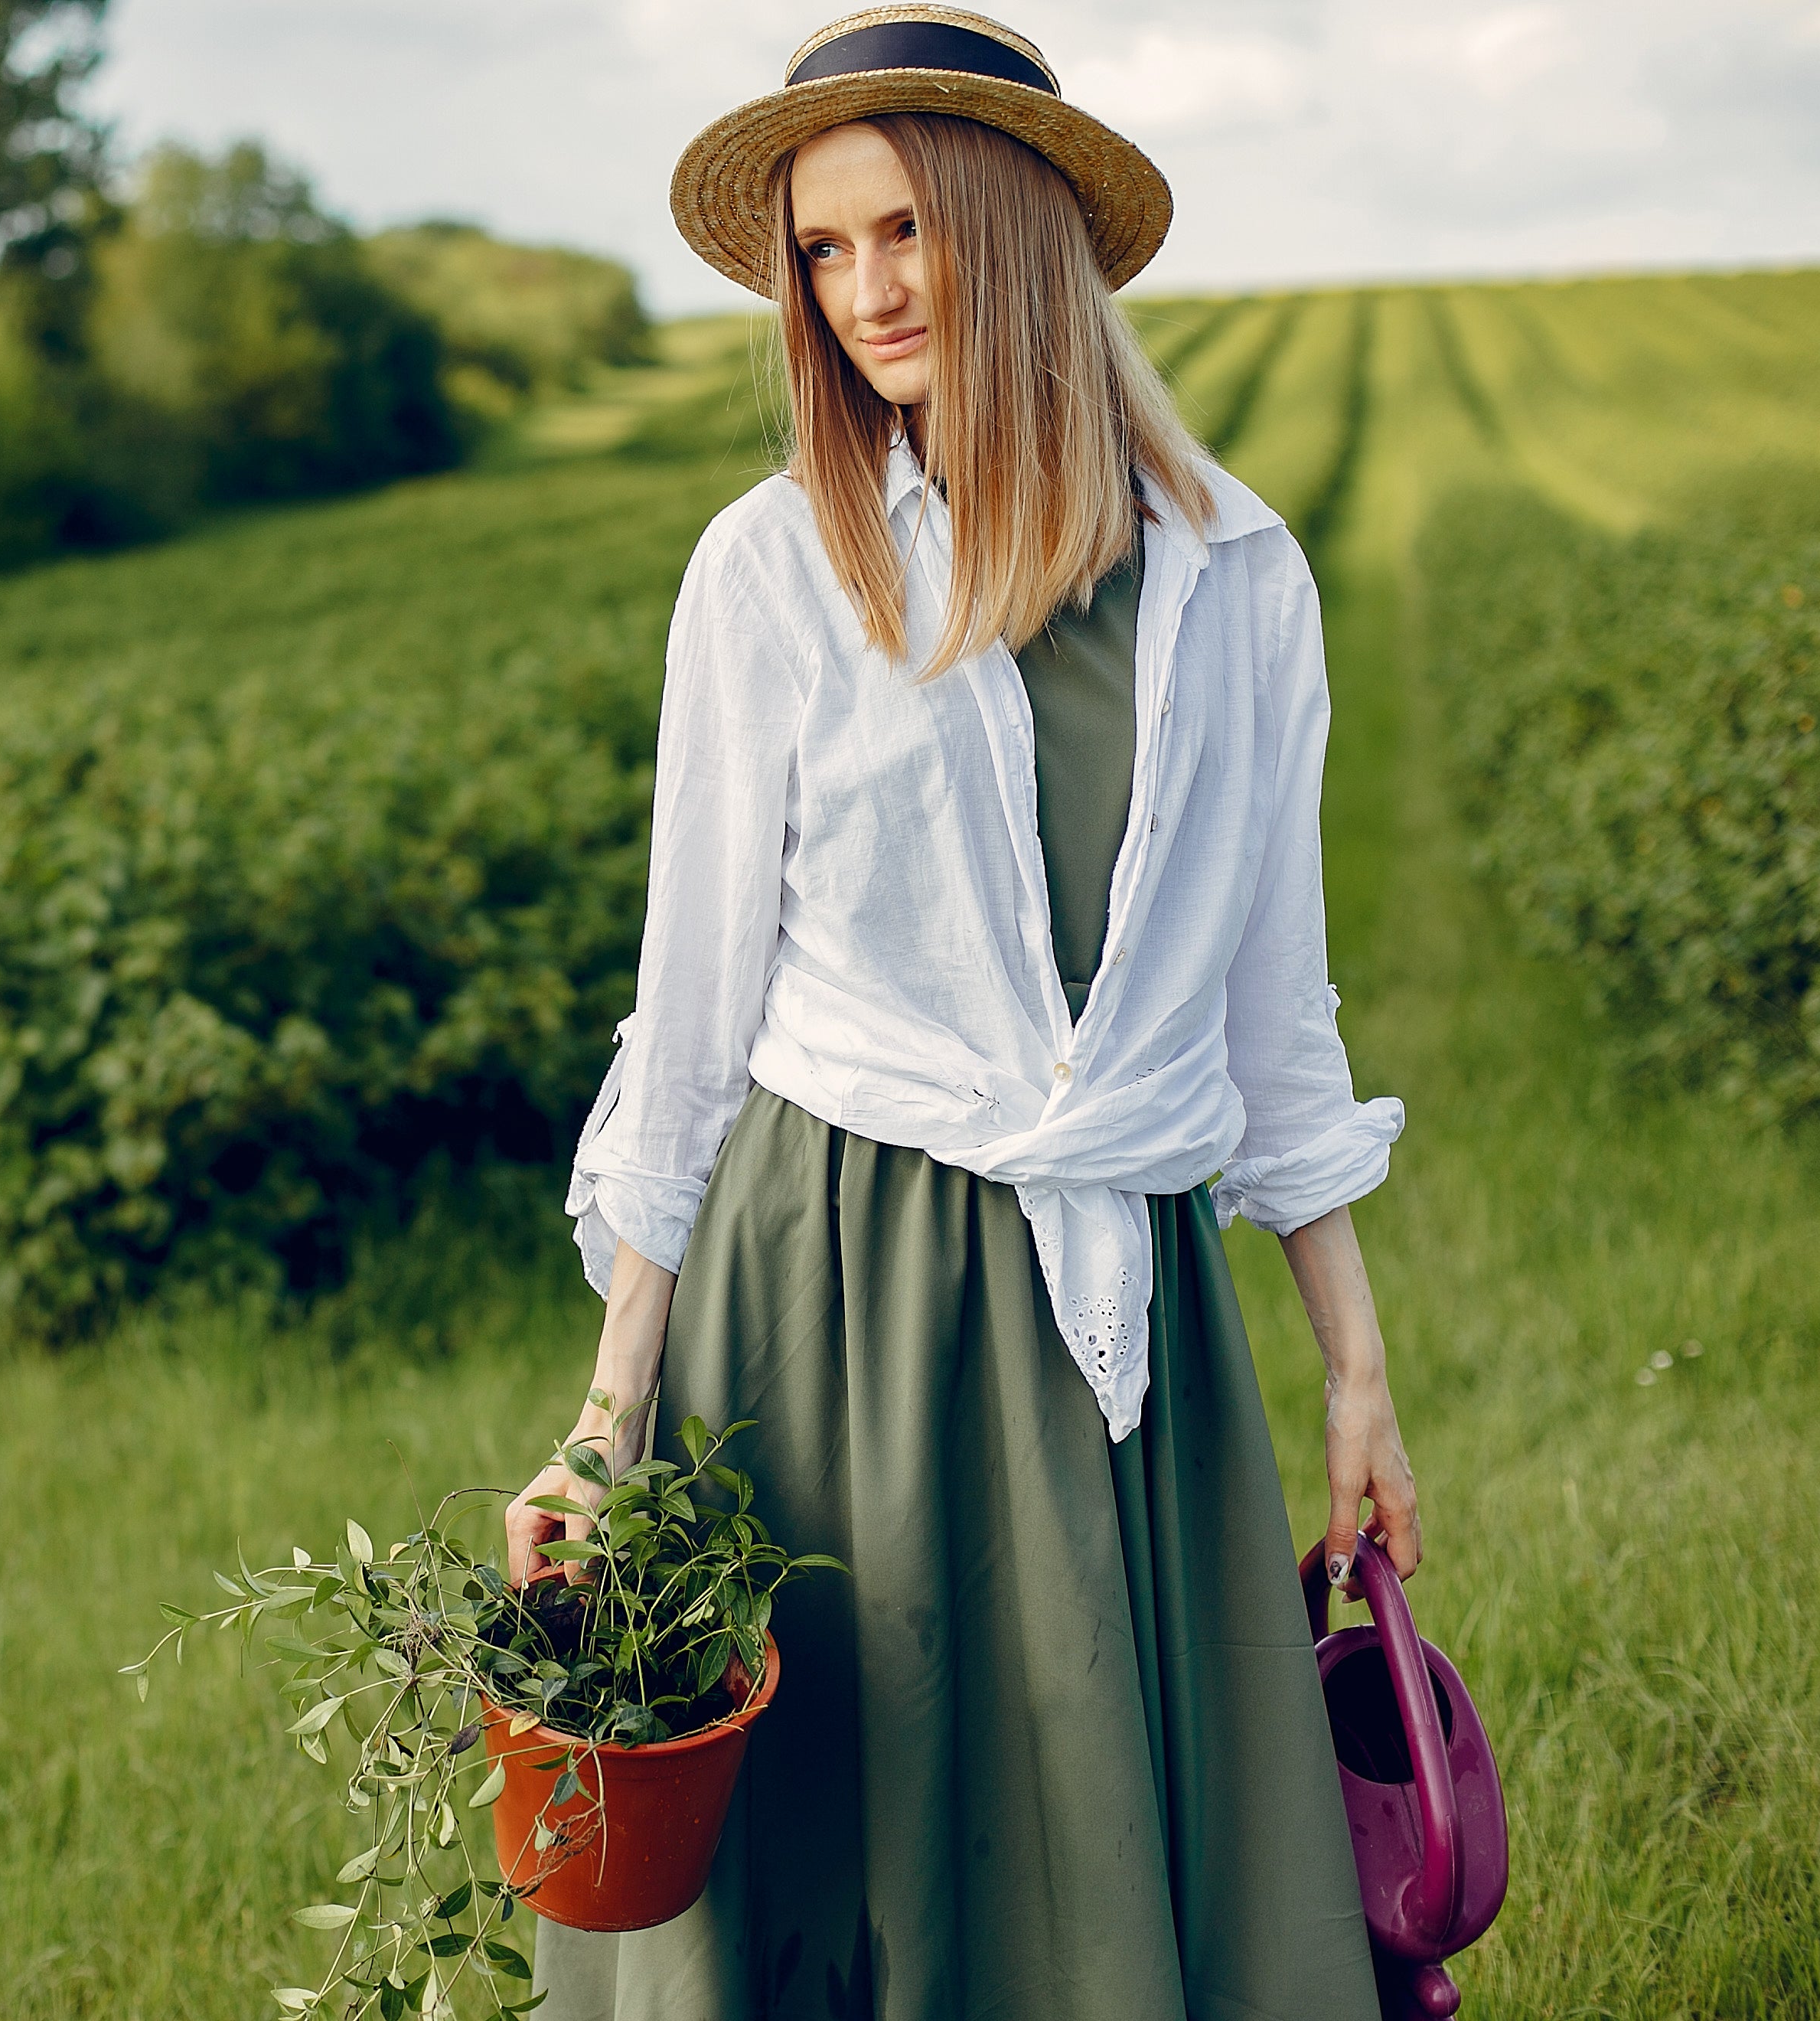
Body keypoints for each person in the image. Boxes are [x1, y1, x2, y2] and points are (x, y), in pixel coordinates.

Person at [503, 11, 1424, 2019]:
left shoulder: (1237, 578)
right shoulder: (769, 574)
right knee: (861, 1839)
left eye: (905, 228)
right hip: (833, 1290)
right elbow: (687, 1023)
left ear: (1018, 229)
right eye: (823, 253)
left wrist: (1354, 1370)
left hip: (1132, 1316)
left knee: (1100, 1847)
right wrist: (605, 1420)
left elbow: (1276, 1021)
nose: (865, 293)